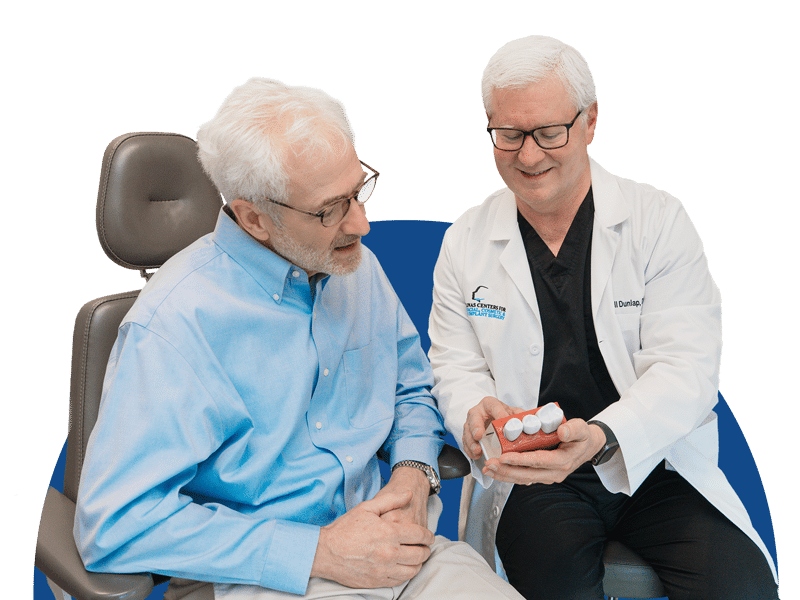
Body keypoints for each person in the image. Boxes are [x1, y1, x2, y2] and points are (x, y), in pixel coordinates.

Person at [73, 77, 523, 600]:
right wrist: (318, 551)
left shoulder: (356, 267)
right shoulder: (175, 325)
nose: (362, 223)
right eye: (329, 209)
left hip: (401, 556)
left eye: (360, 190)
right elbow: (115, 524)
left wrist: (412, 471)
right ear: (254, 218)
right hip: (266, 579)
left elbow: (410, 388)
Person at [428, 36, 779, 600]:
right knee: (555, 582)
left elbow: (686, 368)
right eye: (509, 135)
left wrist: (602, 435)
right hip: (538, 478)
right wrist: (475, 410)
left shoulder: (657, 221)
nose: (529, 155)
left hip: (651, 461)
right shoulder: (466, 240)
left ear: (590, 121)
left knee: (743, 587)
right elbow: (453, 361)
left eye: (549, 132)